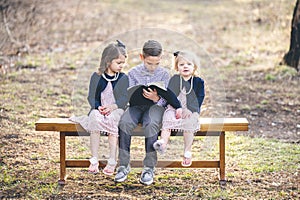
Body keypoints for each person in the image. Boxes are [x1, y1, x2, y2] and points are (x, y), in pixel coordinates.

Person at [115, 40, 180, 185]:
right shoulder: (132, 73)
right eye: (149, 63)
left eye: (156, 63)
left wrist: (156, 98)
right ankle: (123, 165)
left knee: (151, 124)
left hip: (155, 108)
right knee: (124, 122)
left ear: (161, 58)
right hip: (136, 107)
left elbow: (169, 99)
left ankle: (149, 168)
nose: (153, 67)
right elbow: (127, 96)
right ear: (141, 57)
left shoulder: (164, 74)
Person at [69, 40, 129, 176]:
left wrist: (113, 107)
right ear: (108, 62)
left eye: (123, 63)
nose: (121, 66)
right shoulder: (96, 77)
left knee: (113, 120)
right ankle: (94, 159)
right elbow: (91, 97)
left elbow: (125, 98)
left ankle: (112, 159)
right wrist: (98, 107)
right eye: (118, 63)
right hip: (100, 108)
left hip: (116, 109)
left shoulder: (123, 78)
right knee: (94, 118)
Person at [153, 50, 205, 167]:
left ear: (194, 66)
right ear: (177, 67)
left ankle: (187, 151)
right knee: (167, 117)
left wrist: (190, 110)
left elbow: (200, 97)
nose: (185, 66)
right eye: (181, 64)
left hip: (190, 110)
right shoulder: (175, 79)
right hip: (174, 107)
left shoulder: (198, 82)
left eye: (189, 64)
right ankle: (163, 142)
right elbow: (170, 95)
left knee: (189, 123)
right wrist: (177, 107)